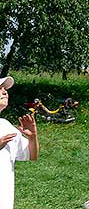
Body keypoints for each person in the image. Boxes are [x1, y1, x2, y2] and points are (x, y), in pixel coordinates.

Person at [0, 76, 39, 209]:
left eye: (5, 89)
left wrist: (33, 137)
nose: (5, 92)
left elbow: (32, 156)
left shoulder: (5, 126)